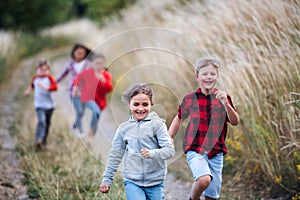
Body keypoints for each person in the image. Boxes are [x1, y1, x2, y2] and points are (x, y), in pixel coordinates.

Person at [168, 57, 239, 200]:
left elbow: (235, 121)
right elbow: (179, 117)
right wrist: (169, 136)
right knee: (203, 180)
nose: (208, 77)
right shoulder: (190, 99)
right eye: (205, 74)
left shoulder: (224, 98)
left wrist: (226, 104)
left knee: (211, 195)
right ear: (197, 77)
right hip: (195, 148)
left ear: (217, 77)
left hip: (216, 151)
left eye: (212, 74)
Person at [100, 83, 175, 200]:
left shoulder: (158, 125)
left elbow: (169, 151)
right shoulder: (124, 129)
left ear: (151, 105)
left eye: (145, 104)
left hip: (155, 181)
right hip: (132, 181)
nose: (140, 108)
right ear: (129, 105)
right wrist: (107, 179)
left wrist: (152, 153)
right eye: (136, 104)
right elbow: (115, 155)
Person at [72, 54, 113, 141]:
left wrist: (104, 81)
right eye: (96, 63)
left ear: (104, 64)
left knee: (97, 115)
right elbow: (78, 77)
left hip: (99, 100)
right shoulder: (88, 72)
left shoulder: (106, 75)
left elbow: (109, 89)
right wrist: (75, 87)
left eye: (101, 63)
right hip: (87, 97)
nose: (98, 65)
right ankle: (82, 130)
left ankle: (91, 135)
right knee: (88, 112)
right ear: (92, 63)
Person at [56, 43, 92, 135]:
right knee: (79, 111)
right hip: (73, 91)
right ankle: (79, 130)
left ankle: (74, 126)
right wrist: (54, 82)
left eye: (82, 53)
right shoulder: (70, 64)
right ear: (74, 53)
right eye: (78, 52)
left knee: (82, 112)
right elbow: (63, 74)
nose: (80, 54)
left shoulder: (88, 63)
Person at [24, 60, 58, 150]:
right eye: (40, 70)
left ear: (48, 70)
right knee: (41, 121)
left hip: (50, 106)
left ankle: (44, 140)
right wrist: (28, 91)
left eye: (45, 70)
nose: (43, 72)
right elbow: (32, 85)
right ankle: (38, 139)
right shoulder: (35, 79)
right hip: (39, 105)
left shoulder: (49, 79)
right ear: (37, 70)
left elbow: (55, 87)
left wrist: (46, 87)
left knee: (47, 123)